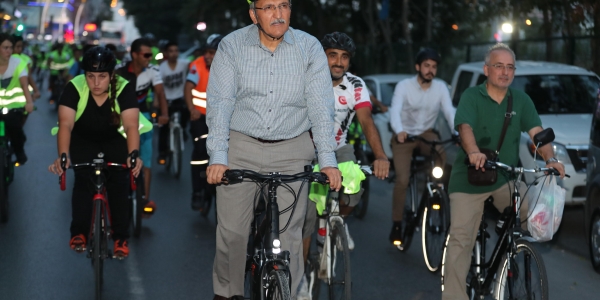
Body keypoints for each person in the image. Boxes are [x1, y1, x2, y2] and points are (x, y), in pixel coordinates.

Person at [205, 0, 342, 298]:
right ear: (254, 14)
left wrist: (328, 160)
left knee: (290, 236)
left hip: (293, 148)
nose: (278, 14)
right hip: (241, 145)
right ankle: (229, 293)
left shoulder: (309, 48)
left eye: (284, 5)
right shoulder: (232, 46)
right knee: (233, 234)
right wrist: (218, 157)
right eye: (268, 7)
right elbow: (220, 103)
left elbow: (320, 107)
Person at [441, 43, 566, 299]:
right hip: (469, 180)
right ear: (487, 69)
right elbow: (465, 128)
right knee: (461, 241)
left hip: (504, 178)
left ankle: (509, 237)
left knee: (536, 213)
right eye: (499, 66)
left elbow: (537, 134)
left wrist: (551, 158)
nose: (505, 72)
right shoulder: (471, 97)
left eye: (510, 67)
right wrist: (474, 151)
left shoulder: (520, 100)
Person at [297, 31, 390, 299]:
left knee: (355, 185)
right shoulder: (307, 80)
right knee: (306, 217)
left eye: (344, 57)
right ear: (321, 56)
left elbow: (366, 121)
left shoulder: (356, 85)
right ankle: (301, 278)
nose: (338, 62)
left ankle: (337, 221)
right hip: (306, 149)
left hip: (338, 148)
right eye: (332, 55)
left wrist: (381, 156)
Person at [48, 46, 143, 258]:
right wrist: (63, 156)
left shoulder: (124, 88)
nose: (96, 83)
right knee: (83, 182)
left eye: (102, 76)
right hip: (84, 140)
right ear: (85, 75)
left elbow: (130, 126)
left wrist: (133, 153)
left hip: (115, 140)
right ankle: (79, 233)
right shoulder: (74, 87)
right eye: (91, 76)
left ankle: (120, 237)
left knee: (119, 185)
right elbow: (65, 125)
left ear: (111, 75)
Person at [387, 48, 456, 246]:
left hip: (426, 133)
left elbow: (449, 111)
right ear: (418, 67)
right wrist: (399, 130)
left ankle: (436, 189)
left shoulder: (441, 87)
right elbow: (395, 111)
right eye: (426, 66)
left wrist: (457, 132)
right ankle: (397, 224)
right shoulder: (404, 86)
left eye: (434, 67)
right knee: (402, 179)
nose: (430, 70)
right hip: (404, 134)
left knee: (441, 154)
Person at [115, 38, 169, 216]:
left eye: (151, 55)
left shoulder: (153, 70)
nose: (149, 58)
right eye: (146, 55)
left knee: (145, 159)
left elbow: (160, 93)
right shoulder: (119, 71)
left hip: (143, 118)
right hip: (122, 117)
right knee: (119, 159)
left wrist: (164, 114)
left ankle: (144, 197)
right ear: (134, 55)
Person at [184, 34, 221, 211]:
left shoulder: (231, 68)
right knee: (200, 152)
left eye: (212, 53)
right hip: (200, 117)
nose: (208, 56)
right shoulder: (197, 65)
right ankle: (197, 192)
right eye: (206, 52)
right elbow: (188, 87)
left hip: (221, 120)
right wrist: (192, 109)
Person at [0, 33, 34, 164]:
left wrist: (29, 102)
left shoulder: (18, 63)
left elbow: (24, 84)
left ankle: (20, 153)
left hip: (14, 107)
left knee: (16, 131)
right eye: (5, 47)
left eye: (10, 47)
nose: (9, 51)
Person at [157, 41, 190, 164]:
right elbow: (158, 88)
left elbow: (195, 65)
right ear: (166, 53)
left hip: (180, 98)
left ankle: (183, 130)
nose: (174, 53)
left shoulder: (183, 64)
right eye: (171, 51)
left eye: (176, 51)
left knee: (187, 113)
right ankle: (162, 153)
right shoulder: (162, 68)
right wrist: (157, 102)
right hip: (166, 101)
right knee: (164, 128)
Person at [11, 35, 41, 101]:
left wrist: (36, 91)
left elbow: (29, 76)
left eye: (21, 46)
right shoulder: (5, 58)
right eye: (17, 46)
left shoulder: (26, 59)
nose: (20, 49)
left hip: (22, 95)